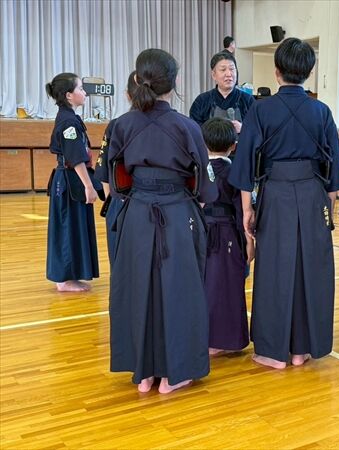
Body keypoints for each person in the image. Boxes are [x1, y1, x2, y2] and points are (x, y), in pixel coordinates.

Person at [228, 37, 339, 369]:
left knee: (274, 269)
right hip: (313, 194)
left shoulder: (260, 109)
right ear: (310, 72)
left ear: (276, 71)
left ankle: (272, 351)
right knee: (311, 269)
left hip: (276, 193)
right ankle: (301, 349)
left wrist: (247, 211)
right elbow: (334, 174)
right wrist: (327, 211)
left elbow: (244, 167)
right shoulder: (322, 112)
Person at [108, 49, 218, 394]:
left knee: (137, 289)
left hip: (137, 213)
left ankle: (143, 373)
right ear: (176, 81)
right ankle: (174, 374)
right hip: (177, 213)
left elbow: (116, 180)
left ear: (138, 80)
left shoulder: (121, 125)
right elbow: (205, 186)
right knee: (179, 291)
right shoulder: (188, 127)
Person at [201, 117, 254, 356]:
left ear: (203, 144)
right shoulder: (234, 172)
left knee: (204, 285)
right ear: (233, 145)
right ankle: (222, 340)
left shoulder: (197, 169)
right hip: (228, 234)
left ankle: (201, 336)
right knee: (227, 287)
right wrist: (249, 240)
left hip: (201, 234)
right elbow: (243, 211)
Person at [45, 73, 100, 292]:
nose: (84, 92)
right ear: (69, 95)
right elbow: (75, 157)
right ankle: (64, 279)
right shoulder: (68, 121)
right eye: (80, 88)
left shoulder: (70, 117)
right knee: (68, 227)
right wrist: (89, 186)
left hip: (71, 178)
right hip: (70, 180)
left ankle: (70, 275)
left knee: (74, 226)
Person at [94, 71, 137, 265]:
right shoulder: (117, 125)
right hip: (150, 203)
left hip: (123, 201)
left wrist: (113, 203)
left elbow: (104, 171)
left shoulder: (117, 125)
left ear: (128, 94)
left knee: (122, 264)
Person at [189, 52, 254, 133]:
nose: (229, 74)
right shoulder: (202, 100)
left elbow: (258, 128)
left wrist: (243, 128)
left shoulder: (248, 100)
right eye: (223, 70)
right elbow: (193, 129)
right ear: (214, 75)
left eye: (232, 69)